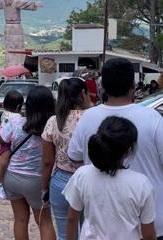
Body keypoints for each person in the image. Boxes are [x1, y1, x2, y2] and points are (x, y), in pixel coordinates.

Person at [68, 57, 163, 239]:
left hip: (101, 223)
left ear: (102, 85)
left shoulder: (87, 118)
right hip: (150, 224)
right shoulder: (154, 119)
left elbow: (74, 156)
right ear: (133, 85)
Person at [64, 116, 156, 240]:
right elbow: (148, 233)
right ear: (128, 150)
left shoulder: (82, 174)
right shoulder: (141, 184)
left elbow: (71, 219)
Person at [0, 85, 56, 240]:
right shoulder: (53, 126)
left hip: (12, 178)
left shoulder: (16, 123)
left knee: (20, 219)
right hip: (36, 181)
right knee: (44, 222)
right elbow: (49, 161)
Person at [41, 78, 91, 240]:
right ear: (83, 94)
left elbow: (48, 161)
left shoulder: (54, 121)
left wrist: (44, 188)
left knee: (64, 233)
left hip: (61, 180)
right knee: (88, 231)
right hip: (90, 179)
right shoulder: (93, 117)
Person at [0, 90, 24, 201]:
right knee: (3, 162)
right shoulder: (15, 116)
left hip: (12, 140)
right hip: (6, 142)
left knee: (6, 164)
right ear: (18, 106)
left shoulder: (5, 113)